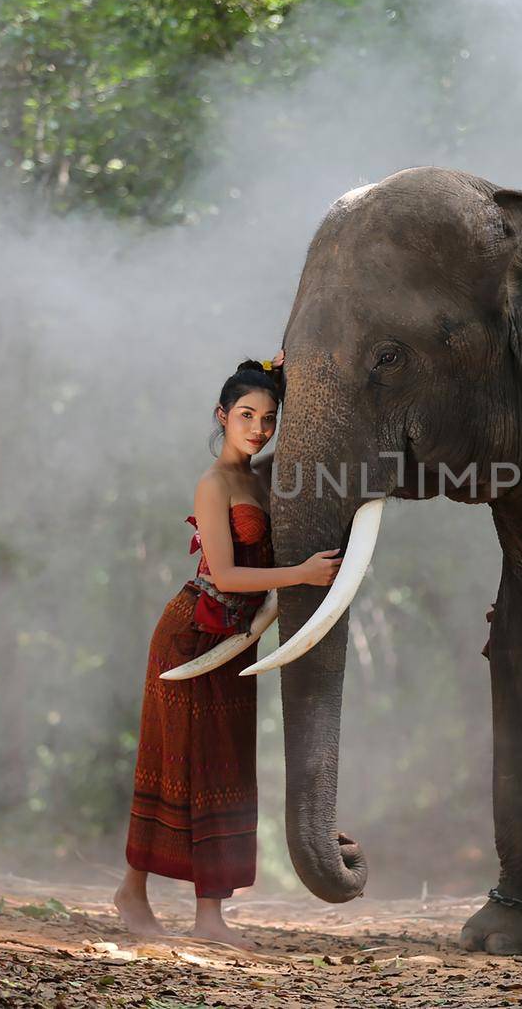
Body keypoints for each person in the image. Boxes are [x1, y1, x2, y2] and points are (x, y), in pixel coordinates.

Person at [114, 350, 343, 944]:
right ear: (221, 415)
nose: (258, 428)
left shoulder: (260, 474)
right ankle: (131, 891)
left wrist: (287, 364)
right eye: (246, 415)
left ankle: (208, 916)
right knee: (177, 766)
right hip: (192, 637)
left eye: (268, 418)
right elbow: (226, 574)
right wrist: (299, 575)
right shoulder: (214, 483)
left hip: (236, 642)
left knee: (227, 770)